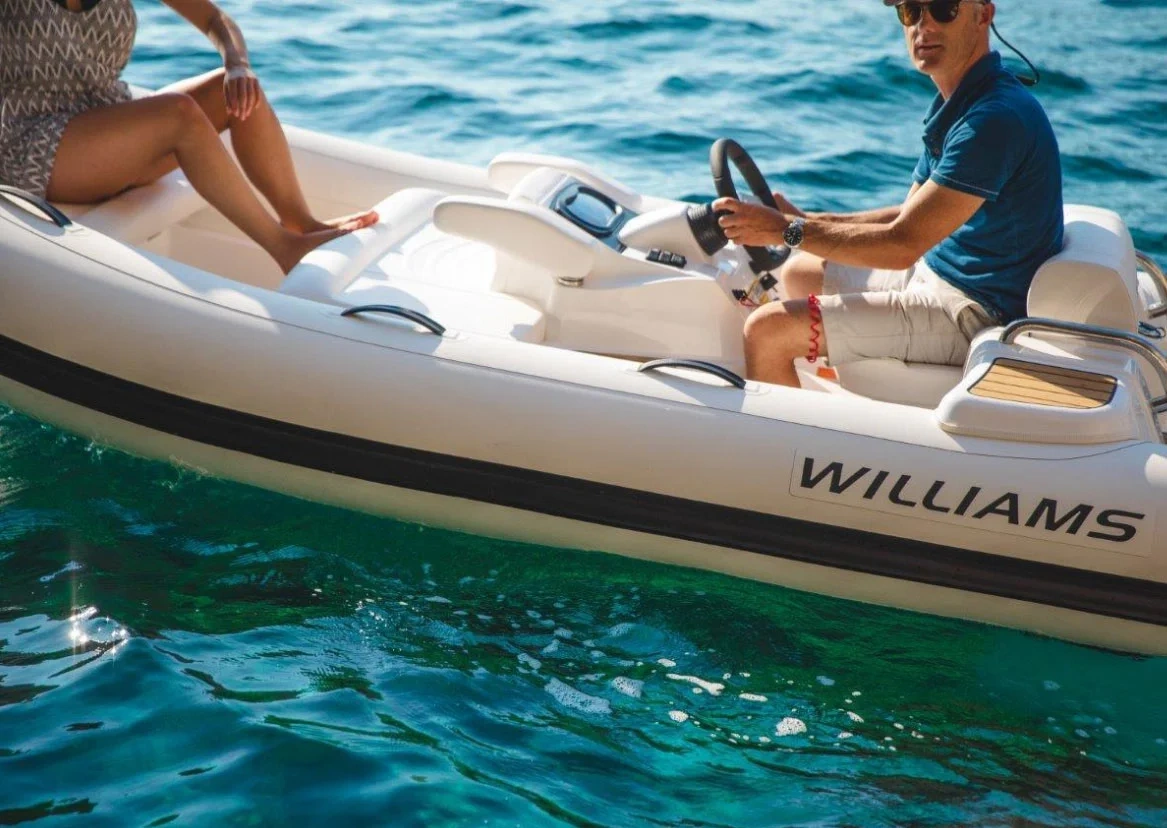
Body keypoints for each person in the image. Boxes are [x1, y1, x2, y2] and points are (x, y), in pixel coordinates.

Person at [714, 0, 1063, 387]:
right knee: (800, 271)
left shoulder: (992, 121)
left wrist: (785, 230)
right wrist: (805, 221)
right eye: (910, 11)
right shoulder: (963, 102)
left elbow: (901, 245)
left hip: (976, 311)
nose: (923, 25)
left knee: (767, 331)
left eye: (943, 8)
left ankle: (793, 425)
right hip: (938, 274)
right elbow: (908, 215)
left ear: (983, 15)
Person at [0, 0, 378, 273]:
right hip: (32, 142)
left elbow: (214, 18)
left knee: (232, 90)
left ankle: (301, 223)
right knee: (178, 114)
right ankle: (284, 248)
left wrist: (238, 65)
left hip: (106, 124)